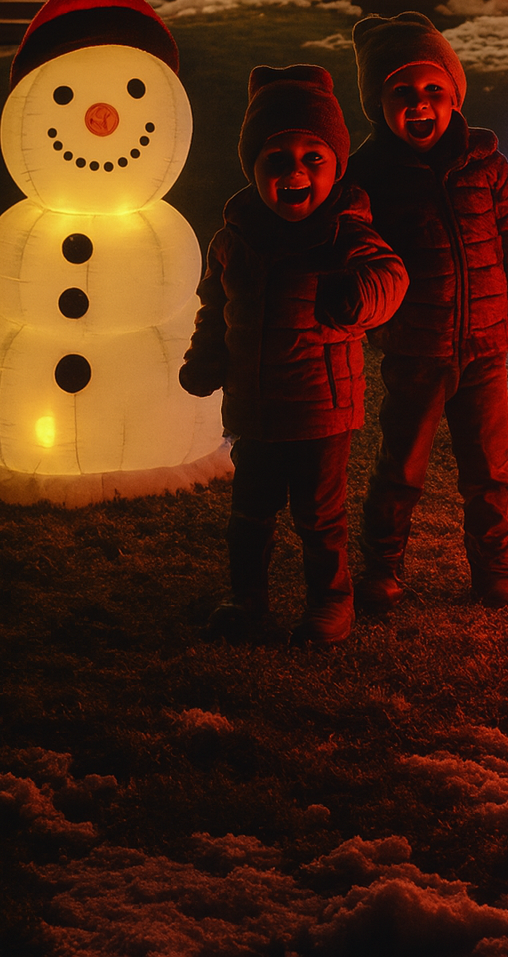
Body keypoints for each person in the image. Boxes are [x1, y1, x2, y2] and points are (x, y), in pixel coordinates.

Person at [180, 64, 408, 648]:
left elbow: (391, 275)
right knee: (249, 512)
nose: (295, 172)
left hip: (319, 409)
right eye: (276, 158)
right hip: (254, 406)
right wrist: (207, 359)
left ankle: (330, 601)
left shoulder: (345, 231)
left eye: (313, 158)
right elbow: (215, 307)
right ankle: (246, 596)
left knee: (319, 514)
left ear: (335, 166)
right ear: (252, 166)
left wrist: (358, 294)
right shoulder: (234, 239)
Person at [348, 12, 508, 612]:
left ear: (454, 97)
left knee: (490, 469)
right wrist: (377, 322)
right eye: (401, 92)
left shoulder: (486, 165)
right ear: (378, 104)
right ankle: (382, 567)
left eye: (433, 89)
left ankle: (496, 568)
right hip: (416, 350)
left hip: (485, 347)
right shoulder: (371, 176)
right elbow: (355, 253)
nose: (419, 103)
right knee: (401, 466)